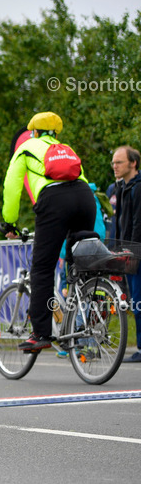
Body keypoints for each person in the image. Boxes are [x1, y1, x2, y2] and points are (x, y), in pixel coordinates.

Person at [1, 111, 95, 352]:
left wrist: (9, 222)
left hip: (54, 202)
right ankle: (92, 314)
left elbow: (12, 186)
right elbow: (81, 178)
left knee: (42, 268)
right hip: (85, 199)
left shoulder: (26, 147)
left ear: (33, 131)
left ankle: (41, 333)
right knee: (81, 262)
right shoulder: (67, 149)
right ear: (55, 133)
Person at [111, 145, 141, 362]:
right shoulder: (120, 188)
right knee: (134, 301)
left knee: (139, 301)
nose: (115, 166)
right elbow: (118, 223)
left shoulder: (138, 188)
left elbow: (138, 224)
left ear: (133, 163)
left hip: (136, 252)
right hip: (126, 252)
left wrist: (131, 252)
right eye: (113, 162)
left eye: (119, 162)